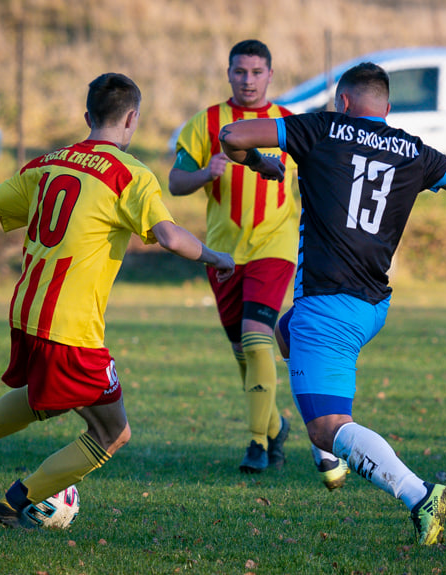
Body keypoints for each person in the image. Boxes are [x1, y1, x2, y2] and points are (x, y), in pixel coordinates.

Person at [218, 62, 446, 545]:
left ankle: (416, 494)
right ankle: (330, 444)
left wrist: (259, 163)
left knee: (328, 425)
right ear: (387, 109)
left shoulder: (321, 128)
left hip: (329, 308)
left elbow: (233, 133)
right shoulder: (413, 150)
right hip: (372, 306)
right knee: (284, 332)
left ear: (343, 103)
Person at [0, 72, 235, 529]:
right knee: (111, 433)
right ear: (132, 119)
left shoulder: (47, 164)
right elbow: (169, 236)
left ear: (87, 117)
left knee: (45, 399)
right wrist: (218, 257)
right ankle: (8, 507)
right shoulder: (130, 175)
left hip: (27, 312)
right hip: (70, 327)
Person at [168, 39, 299, 474]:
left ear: (270, 75)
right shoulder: (206, 123)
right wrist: (206, 172)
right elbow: (175, 182)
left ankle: (257, 444)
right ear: (228, 73)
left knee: (257, 335)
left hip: (274, 246)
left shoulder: (291, 123)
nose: (248, 80)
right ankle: (277, 425)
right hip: (223, 253)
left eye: (256, 72)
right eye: (240, 72)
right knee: (244, 352)